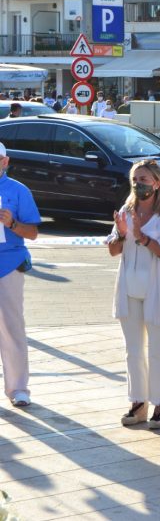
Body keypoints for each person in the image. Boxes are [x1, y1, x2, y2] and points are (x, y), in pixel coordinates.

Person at [108, 160, 160, 429]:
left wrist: (142, 237)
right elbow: (113, 250)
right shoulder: (126, 211)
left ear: (157, 183)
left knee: (159, 349)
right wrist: (121, 234)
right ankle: (138, 402)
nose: (138, 184)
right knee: (133, 350)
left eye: (144, 179)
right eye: (135, 179)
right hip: (129, 287)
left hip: (159, 288)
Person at [0, 142, 40, 408]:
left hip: (8, 265)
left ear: (5, 161)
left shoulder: (18, 190)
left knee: (12, 328)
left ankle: (18, 388)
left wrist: (12, 223)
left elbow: (33, 233)